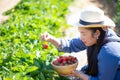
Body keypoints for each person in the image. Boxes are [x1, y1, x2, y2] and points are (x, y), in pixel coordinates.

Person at [40, 6, 120, 80]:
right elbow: (70, 45)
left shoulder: (109, 52)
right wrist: (51, 39)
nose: (81, 37)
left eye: (83, 33)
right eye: (80, 33)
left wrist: (80, 75)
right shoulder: (99, 36)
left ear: (96, 33)